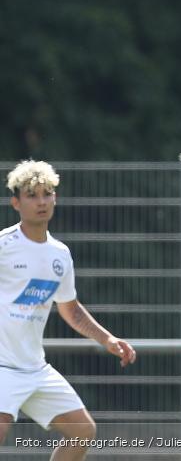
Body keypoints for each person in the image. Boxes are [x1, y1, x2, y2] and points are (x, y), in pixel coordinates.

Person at [0, 160, 137, 461]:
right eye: (32, 195)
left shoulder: (59, 254)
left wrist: (107, 339)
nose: (41, 202)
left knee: (82, 432)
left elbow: (71, 309)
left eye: (47, 194)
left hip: (34, 368)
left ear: (55, 198)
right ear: (16, 202)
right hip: (2, 368)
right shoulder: (4, 246)